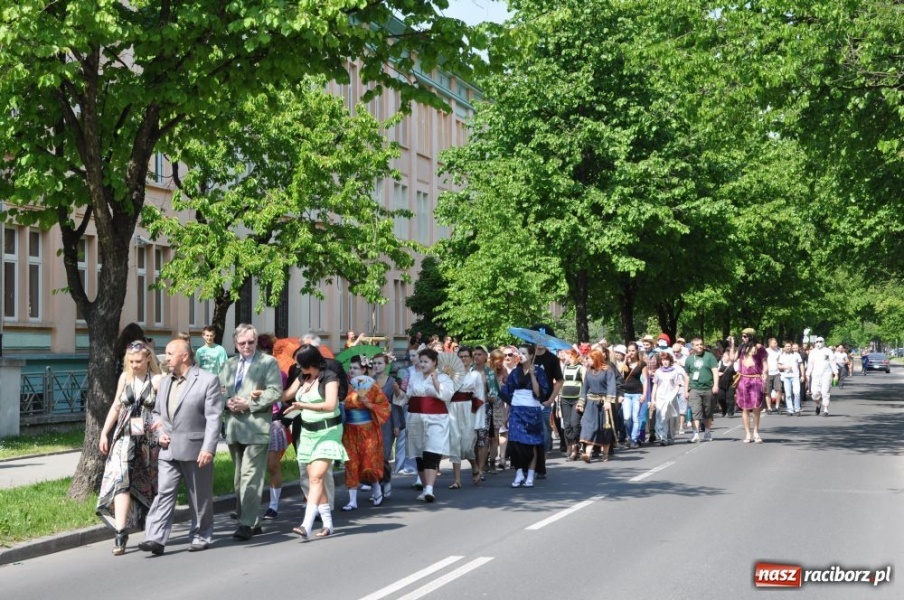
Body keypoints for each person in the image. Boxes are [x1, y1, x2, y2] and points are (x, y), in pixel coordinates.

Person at [137, 339, 224, 555]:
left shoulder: (207, 380)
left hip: (196, 449)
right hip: (168, 449)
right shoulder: (165, 382)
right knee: (164, 493)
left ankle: (201, 535)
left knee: (199, 496)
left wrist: (208, 448)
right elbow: (156, 413)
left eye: (169, 353)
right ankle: (155, 537)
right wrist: (160, 433)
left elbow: (214, 418)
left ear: (184, 356)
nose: (165, 358)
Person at [96, 340, 163, 556]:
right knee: (121, 482)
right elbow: (117, 405)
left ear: (148, 359)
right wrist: (105, 432)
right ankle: (120, 532)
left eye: (138, 361)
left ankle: (153, 530)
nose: (134, 365)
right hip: (124, 438)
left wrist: (162, 428)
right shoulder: (125, 378)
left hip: (148, 442)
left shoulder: (157, 381)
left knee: (150, 485)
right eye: (131, 361)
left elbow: (166, 411)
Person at [219, 323, 283, 540]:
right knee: (239, 478)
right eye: (242, 343)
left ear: (256, 342)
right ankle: (253, 520)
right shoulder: (228, 364)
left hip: (256, 426)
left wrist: (248, 403)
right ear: (235, 344)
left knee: (250, 476)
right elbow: (219, 390)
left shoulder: (267, 362)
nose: (247, 346)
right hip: (234, 426)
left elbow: (275, 391)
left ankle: (245, 523)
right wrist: (227, 402)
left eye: (251, 342)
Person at [283, 345, 348, 539]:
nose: (296, 366)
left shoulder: (329, 377)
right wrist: (263, 393)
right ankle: (328, 525)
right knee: (315, 479)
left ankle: (306, 525)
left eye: (299, 363)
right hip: (308, 434)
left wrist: (303, 405)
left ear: (310, 362)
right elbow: (285, 395)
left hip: (328, 432)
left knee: (316, 478)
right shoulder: (303, 377)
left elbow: (330, 405)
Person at [341, 355, 390, 511]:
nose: (351, 371)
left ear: (364, 370)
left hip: (368, 430)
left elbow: (384, 407)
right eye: (350, 367)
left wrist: (369, 404)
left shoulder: (372, 387)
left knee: (369, 462)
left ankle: (376, 489)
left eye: (355, 368)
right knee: (351, 463)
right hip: (350, 430)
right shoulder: (345, 387)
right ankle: (352, 500)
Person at [405, 347, 454, 502]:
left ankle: (430, 488)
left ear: (434, 362)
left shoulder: (444, 378)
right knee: (419, 453)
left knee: (432, 451)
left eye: (426, 361)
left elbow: (447, 395)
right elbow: (408, 396)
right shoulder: (415, 377)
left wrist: (435, 381)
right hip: (416, 418)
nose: (423, 364)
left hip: (436, 418)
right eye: (421, 361)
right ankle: (425, 487)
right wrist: (399, 392)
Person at [499, 344, 551, 486]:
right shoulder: (515, 373)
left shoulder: (539, 371)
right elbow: (508, 392)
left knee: (532, 444)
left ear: (531, 355)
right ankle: (519, 473)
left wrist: (533, 375)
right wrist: (506, 414)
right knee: (516, 442)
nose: (520, 356)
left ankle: (531, 474)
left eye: (523, 353)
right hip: (516, 410)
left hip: (532, 411)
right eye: (519, 353)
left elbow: (539, 393)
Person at [448, 346, 486, 488]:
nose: (463, 359)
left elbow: (480, 396)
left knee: (466, 444)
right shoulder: (452, 375)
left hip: (469, 409)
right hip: (454, 408)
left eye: (466, 356)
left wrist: (478, 417)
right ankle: (457, 480)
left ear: (471, 358)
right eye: (461, 356)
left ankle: (475, 466)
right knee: (455, 442)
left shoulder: (475, 375)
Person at [576, 348, 618, 462]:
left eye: (588, 358)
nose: (587, 361)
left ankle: (605, 454)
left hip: (604, 403)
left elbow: (611, 386)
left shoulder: (607, 370)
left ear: (595, 358)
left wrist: (609, 401)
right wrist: (581, 403)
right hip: (591, 403)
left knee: (604, 429)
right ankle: (587, 454)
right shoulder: (589, 371)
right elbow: (585, 388)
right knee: (588, 427)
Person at [374, 353, 404, 500]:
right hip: (372, 421)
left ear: (386, 365)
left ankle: (386, 481)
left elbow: (397, 405)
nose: (376, 366)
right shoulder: (369, 382)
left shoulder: (392, 382)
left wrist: (397, 425)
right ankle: (377, 486)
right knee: (374, 455)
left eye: (379, 363)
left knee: (384, 455)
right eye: (374, 363)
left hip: (387, 421)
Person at [734, 328, 769, 443]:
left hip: (755, 379)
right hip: (743, 379)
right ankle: (748, 434)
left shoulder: (759, 348)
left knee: (756, 407)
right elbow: (732, 359)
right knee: (744, 408)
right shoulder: (742, 348)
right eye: (742, 336)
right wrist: (733, 345)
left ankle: (756, 432)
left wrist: (764, 375)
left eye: (745, 336)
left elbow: (765, 364)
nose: (743, 338)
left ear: (751, 337)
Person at [683, 337, 720, 443]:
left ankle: (707, 432)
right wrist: (686, 390)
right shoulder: (689, 359)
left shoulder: (709, 356)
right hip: (694, 388)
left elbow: (715, 371)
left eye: (701, 344)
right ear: (693, 346)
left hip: (708, 388)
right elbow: (687, 376)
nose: (699, 346)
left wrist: (715, 385)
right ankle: (695, 434)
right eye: (697, 345)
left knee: (708, 412)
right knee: (695, 412)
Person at [471, 346, 496, 476]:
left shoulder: (490, 373)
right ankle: (475, 466)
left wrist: (492, 396)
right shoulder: (468, 371)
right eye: (475, 354)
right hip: (470, 408)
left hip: (485, 408)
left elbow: (495, 391)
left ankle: (480, 470)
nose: (476, 357)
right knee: (472, 439)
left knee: (483, 438)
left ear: (485, 357)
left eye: (479, 354)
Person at [651, 351, 683, 445]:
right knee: (661, 416)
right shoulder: (658, 372)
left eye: (667, 360)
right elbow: (655, 385)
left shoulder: (674, 371)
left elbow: (677, 385)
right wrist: (653, 399)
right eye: (663, 360)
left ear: (670, 361)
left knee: (671, 417)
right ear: (661, 361)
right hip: (660, 396)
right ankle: (663, 437)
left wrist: (673, 395)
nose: (665, 362)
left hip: (670, 397)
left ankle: (671, 435)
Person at [558, 350, 585, 461]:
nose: (566, 357)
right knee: (567, 425)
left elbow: (585, 385)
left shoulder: (581, 368)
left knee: (575, 424)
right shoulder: (564, 368)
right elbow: (561, 385)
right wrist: (559, 405)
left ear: (573, 356)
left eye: (568, 355)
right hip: (565, 399)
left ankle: (576, 447)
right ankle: (572, 448)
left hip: (576, 399)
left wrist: (582, 401)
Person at [621, 343, 646, 448]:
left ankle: (634, 439)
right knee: (627, 418)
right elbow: (620, 373)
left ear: (637, 351)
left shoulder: (642, 364)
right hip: (626, 394)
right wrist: (625, 360)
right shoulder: (626, 363)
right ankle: (630, 437)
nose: (630, 353)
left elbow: (645, 380)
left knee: (635, 418)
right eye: (629, 351)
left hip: (637, 393)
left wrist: (644, 394)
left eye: (632, 350)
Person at [807, 337, 838, 416]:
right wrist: (808, 374)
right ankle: (818, 404)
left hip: (826, 374)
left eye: (820, 341)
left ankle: (825, 409)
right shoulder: (812, 352)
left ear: (824, 342)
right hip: (815, 375)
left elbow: (832, 363)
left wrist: (836, 374)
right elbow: (810, 364)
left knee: (825, 392)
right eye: (817, 341)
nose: (819, 343)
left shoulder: (828, 351)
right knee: (815, 394)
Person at [777, 340, 805, 416]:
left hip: (795, 376)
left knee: (796, 393)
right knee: (788, 394)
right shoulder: (782, 355)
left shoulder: (796, 355)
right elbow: (778, 366)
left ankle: (797, 409)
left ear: (791, 347)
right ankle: (790, 410)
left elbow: (801, 365)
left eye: (789, 346)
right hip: (786, 377)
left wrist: (802, 375)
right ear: (784, 347)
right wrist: (784, 367)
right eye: (786, 346)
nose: (787, 348)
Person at [764, 337, 783, 414]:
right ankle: (769, 407)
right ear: (770, 343)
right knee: (767, 391)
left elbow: (781, 360)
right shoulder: (766, 351)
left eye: (776, 342)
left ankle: (777, 406)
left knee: (779, 389)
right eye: (774, 343)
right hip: (768, 373)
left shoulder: (779, 351)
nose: (776, 344)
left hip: (777, 373)